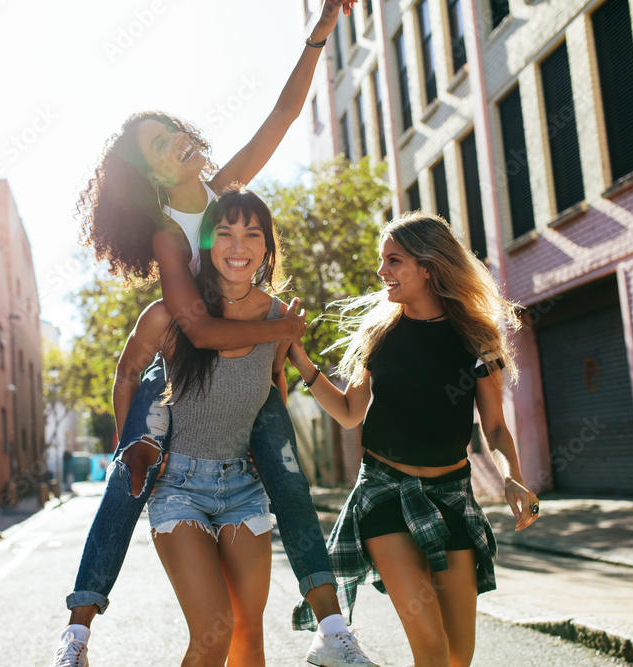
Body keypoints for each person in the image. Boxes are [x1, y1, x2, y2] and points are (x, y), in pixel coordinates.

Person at [53, 3, 376, 666]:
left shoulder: (225, 192)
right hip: (177, 366)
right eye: (154, 144)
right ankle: (78, 632)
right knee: (129, 475)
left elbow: (283, 117)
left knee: (286, 472)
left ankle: (331, 629)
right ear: (151, 174)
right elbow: (194, 324)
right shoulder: (171, 226)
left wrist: (317, 35)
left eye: (169, 127)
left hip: (242, 370)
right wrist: (282, 325)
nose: (172, 137)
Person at [287, 213, 541, 667]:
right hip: (385, 495)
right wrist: (302, 363)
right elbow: (349, 412)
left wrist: (512, 479)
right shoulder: (380, 335)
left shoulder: (476, 338)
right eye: (382, 261)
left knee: (458, 655)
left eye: (393, 260)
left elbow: (496, 427)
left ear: (428, 266)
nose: (382, 271)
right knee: (431, 648)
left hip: (452, 496)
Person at [115, 186, 290, 665]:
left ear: (267, 247)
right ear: (206, 244)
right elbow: (127, 371)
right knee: (214, 632)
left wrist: (267, 447)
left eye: (252, 234)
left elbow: (275, 385)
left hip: (244, 485)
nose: (238, 245)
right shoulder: (172, 315)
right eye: (225, 233)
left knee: (249, 636)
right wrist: (130, 445)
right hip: (178, 486)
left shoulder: (278, 317)